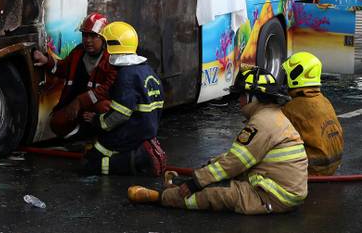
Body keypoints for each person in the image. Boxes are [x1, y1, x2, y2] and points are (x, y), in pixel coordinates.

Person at [128, 67, 307, 214]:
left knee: (216, 194)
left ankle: (160, 197)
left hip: (272, 196)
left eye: (241, 95)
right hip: (277, 187)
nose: (239, 101)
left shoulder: (262, 122)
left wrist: (196, 182)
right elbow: (237, 158)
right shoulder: (273, 116)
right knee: (217, 176)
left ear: (253, 96)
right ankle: (173, 190)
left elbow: (234, 163)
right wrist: (209, 168)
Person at [81, 21, 166, 176]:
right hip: (147, 132)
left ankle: (140, 161)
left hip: (131, 134)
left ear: (113, 46)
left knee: (89, 164)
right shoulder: (146, 69)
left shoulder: (126, 75)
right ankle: (141, 155)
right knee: (97, 148)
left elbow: (120, 115)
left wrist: (96, 120)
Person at [33, 12, 117, 139]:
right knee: (57, 122)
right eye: (85, 35)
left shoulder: (111, 58)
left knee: (105, 108)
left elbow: (108, 88)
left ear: (103, 38)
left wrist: (80, 101)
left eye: (93, 36)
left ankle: (99, 137)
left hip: (95, 106)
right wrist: (47, 61)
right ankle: (79, 136)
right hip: (76, 106)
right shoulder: (78, 52)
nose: (88, 40)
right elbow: (62, 68)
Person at [281, 51, 343, 175]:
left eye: (286, 75)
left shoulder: (292, 108)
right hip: (333, 167)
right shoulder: (324, 100)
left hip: (312, 172)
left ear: (296, 75)